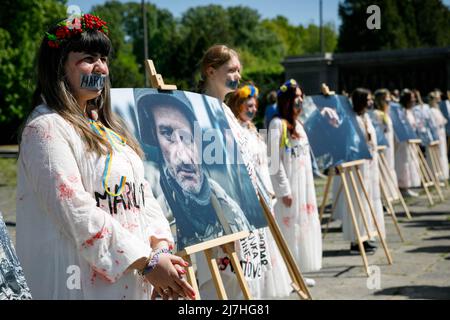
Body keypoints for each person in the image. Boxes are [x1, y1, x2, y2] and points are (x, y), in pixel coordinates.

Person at [16, 14, 195, 300]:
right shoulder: (46, 128)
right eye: (88, 58)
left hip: (133, 278)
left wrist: (160, 249)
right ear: (59, 65)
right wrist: (145, 262)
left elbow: (141, 195)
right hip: (80, 283)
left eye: (104, 58)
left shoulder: (108, 128)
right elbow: (75, 210)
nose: (100, 67)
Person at [136, 93, 252, 250]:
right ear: (156, 140)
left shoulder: (229, 207)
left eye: (187, 137)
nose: (184, 158)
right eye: (167, 134)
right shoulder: (157, 217)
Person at [226, 84, 292, 298]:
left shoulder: (253, 130)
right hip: (251, 201)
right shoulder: (233, 131)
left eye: (255, 106)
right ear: (237, 106)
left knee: (267, 247)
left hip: (265, 196)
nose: (254, 109)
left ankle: (264, 291)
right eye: (249, 105)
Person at [267, 79, 322, 283]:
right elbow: (273, 161)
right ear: (286, 101)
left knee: (301, 228)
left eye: (301, 96)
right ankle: (287, 276)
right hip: (289, 187)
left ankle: (296, 273)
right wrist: (283, 190)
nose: (299, 100)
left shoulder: (298, 125)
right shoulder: (276, 124)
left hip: (303, 185)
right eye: (295, 97)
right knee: (288, 228)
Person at [333, 88, 386, 254]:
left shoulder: (365, 117)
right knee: (357, 202)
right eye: (368, 99)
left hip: (369, 166)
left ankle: (366, 235)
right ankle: (356, 240)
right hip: (357, 167)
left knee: (368, 200)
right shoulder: (350, 119)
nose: (371, 102)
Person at [395, 89, 421, 197]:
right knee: (403, 163)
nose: (414, 101)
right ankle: (402, 186)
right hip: (402, 143)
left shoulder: (410, 111)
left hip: (410, 142)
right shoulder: (400, 112)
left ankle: (407, 185)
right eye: (412, 99)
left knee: (410, 163)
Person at [373, 89, 398, 190]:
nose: (388, 103)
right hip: (382, 146)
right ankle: (383, 190)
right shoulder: (376, 114)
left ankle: (390, 190)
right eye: (386, 100)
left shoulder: (386, 114)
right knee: (383, 167)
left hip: (389, 145)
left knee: (389, 164)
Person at [428, 91, 449, 180]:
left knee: (442, 153)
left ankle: (443, 174)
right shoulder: (431, 111)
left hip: (442, 134)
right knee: (437, 153)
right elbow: (433, 124)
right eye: (437, 99)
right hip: (436, 134)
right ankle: (436, 174)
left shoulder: (437, 110)